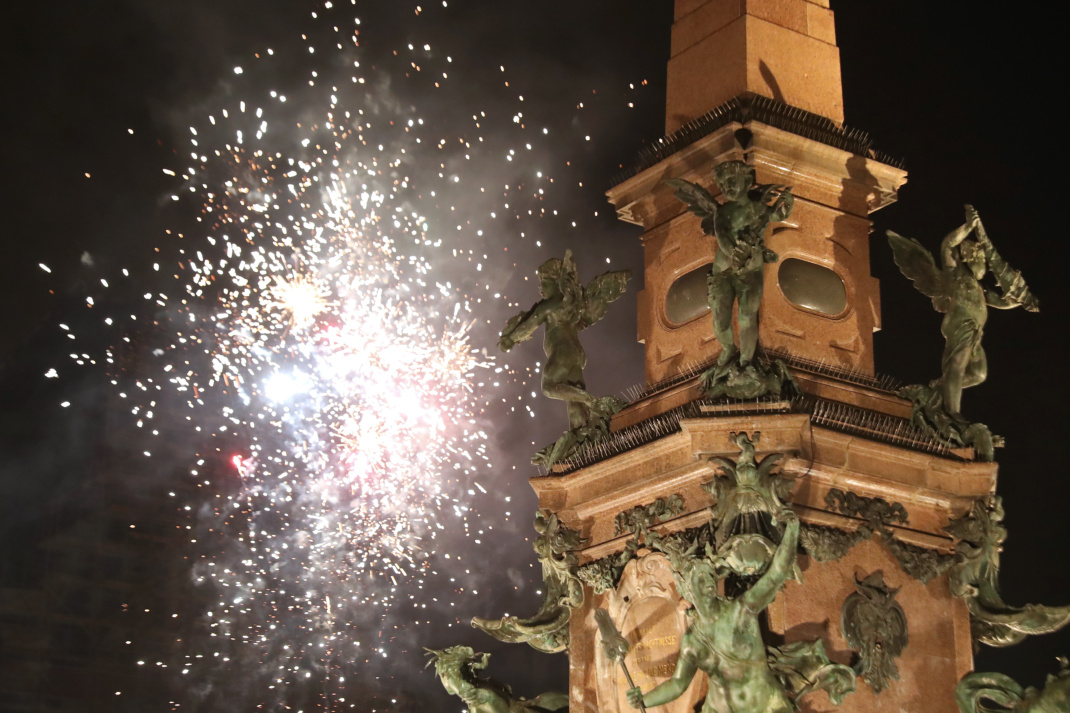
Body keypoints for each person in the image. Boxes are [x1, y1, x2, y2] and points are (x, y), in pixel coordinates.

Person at [626, 510, 801, 713]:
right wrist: (644, 700)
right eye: (701, 576)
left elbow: (776, 574)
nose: (708, 579)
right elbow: (677, 684)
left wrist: (792, 530)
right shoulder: (693, 640)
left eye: (710, 575)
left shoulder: (741, 611)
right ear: (688, 589)